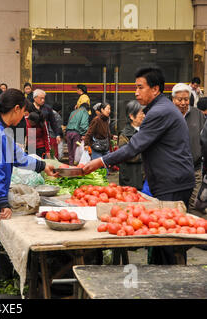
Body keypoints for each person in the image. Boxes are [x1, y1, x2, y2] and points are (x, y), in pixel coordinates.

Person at [83, 67, 195, 265]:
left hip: (173, 182)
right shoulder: (160, 109)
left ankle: (173, 286)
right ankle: (163, 279)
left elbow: (134, 146)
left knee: (169, 241)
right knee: (164, 240)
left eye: (140, 87)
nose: (136, 92)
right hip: (170, 180)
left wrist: (101, 161)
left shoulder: (160, 112)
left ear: (156, 89)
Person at [0, 88, 58, 299]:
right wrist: (2, 202)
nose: (24, 117)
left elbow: (20, 158)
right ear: (16, 109)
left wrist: (43, 166)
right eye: (23, 113)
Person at [171, 83, 206, 213]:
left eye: (186, 99)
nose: (183, 103)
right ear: (173, 99)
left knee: (194, 206)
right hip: (173, 170)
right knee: (176, 206)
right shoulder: (167, 115)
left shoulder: (198, 115)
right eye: (179, 99)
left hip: (195, 168)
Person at [118, 101, 145, 190]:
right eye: (141, 113)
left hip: (143, 177)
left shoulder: (145, 132)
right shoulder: (124, 135)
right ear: (132, 116)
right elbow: (127, 155)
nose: (144, 116)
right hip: (131, 178)